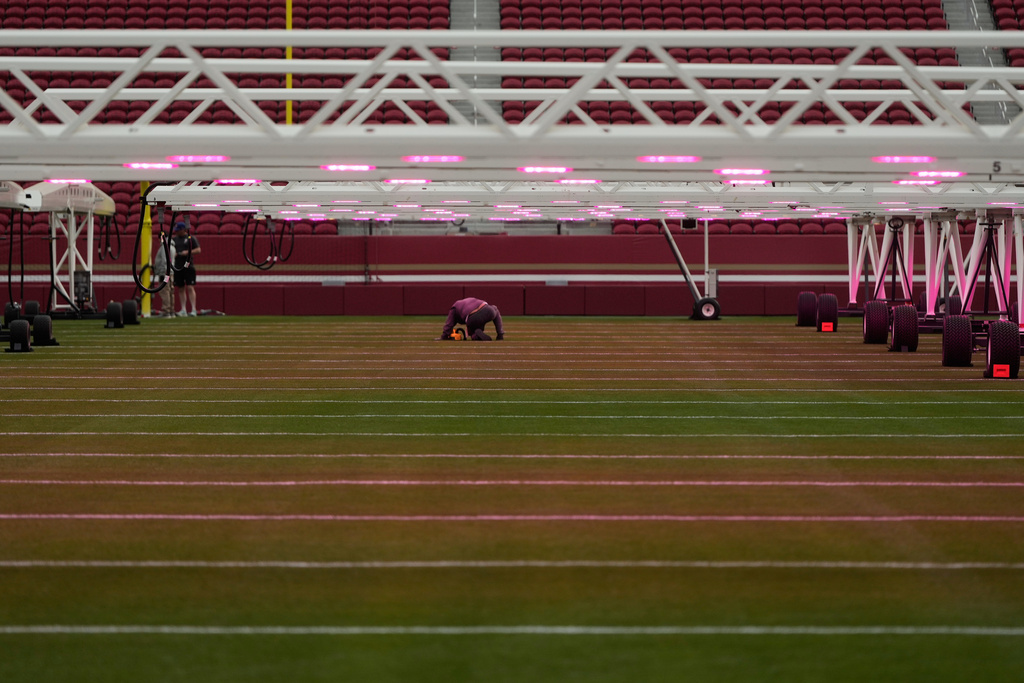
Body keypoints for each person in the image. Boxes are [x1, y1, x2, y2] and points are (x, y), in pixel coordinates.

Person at [171, 221, 201, 317]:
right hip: (178, 266)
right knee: (180, 288)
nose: (176, 232)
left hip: (188, 266)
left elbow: (198, 250)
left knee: (190, 287)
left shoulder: (190, 238)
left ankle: (193, 309)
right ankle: (183, 309)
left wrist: (186, 252)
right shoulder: (174, 240)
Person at [440, 297, 504, 340]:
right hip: (488, 309)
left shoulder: (454, 307)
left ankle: (475, 334)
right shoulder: (469, 301)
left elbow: (449, 324)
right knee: (495, 309)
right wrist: (500, 333)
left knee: (473, 332)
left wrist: (444, 336)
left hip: (472, 316)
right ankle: (500, 334)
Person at [151, 237, 174, 317]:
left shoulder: (165, 247)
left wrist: (162, 273)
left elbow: (165, 261)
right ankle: (171, 310)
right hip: (170, 272)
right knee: (170, 291)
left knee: (164, 291)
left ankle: (166, 311)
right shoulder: (172, 246)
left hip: (165, 272)